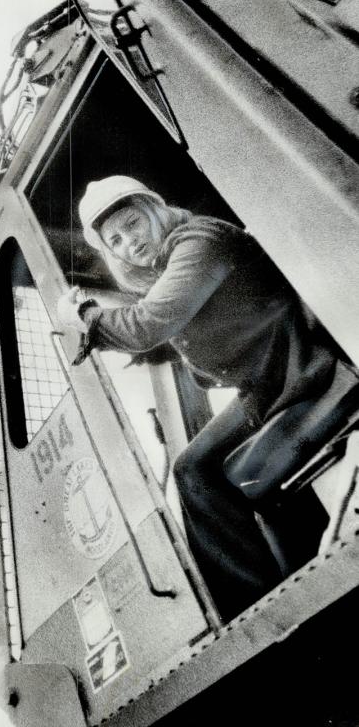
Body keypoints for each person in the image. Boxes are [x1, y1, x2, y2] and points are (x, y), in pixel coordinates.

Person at [56, 175, 341, 622]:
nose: (129, 242)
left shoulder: (199, 240)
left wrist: (85, 316)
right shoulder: (175, 265)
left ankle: (257, 610)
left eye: (132, 224)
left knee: (195, 470)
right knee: (202, 469)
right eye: (115, 240)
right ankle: (286, 583)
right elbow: (172, 333)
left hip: (298, 367)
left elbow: (149, 324)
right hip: (269, 383)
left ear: (154, 209)